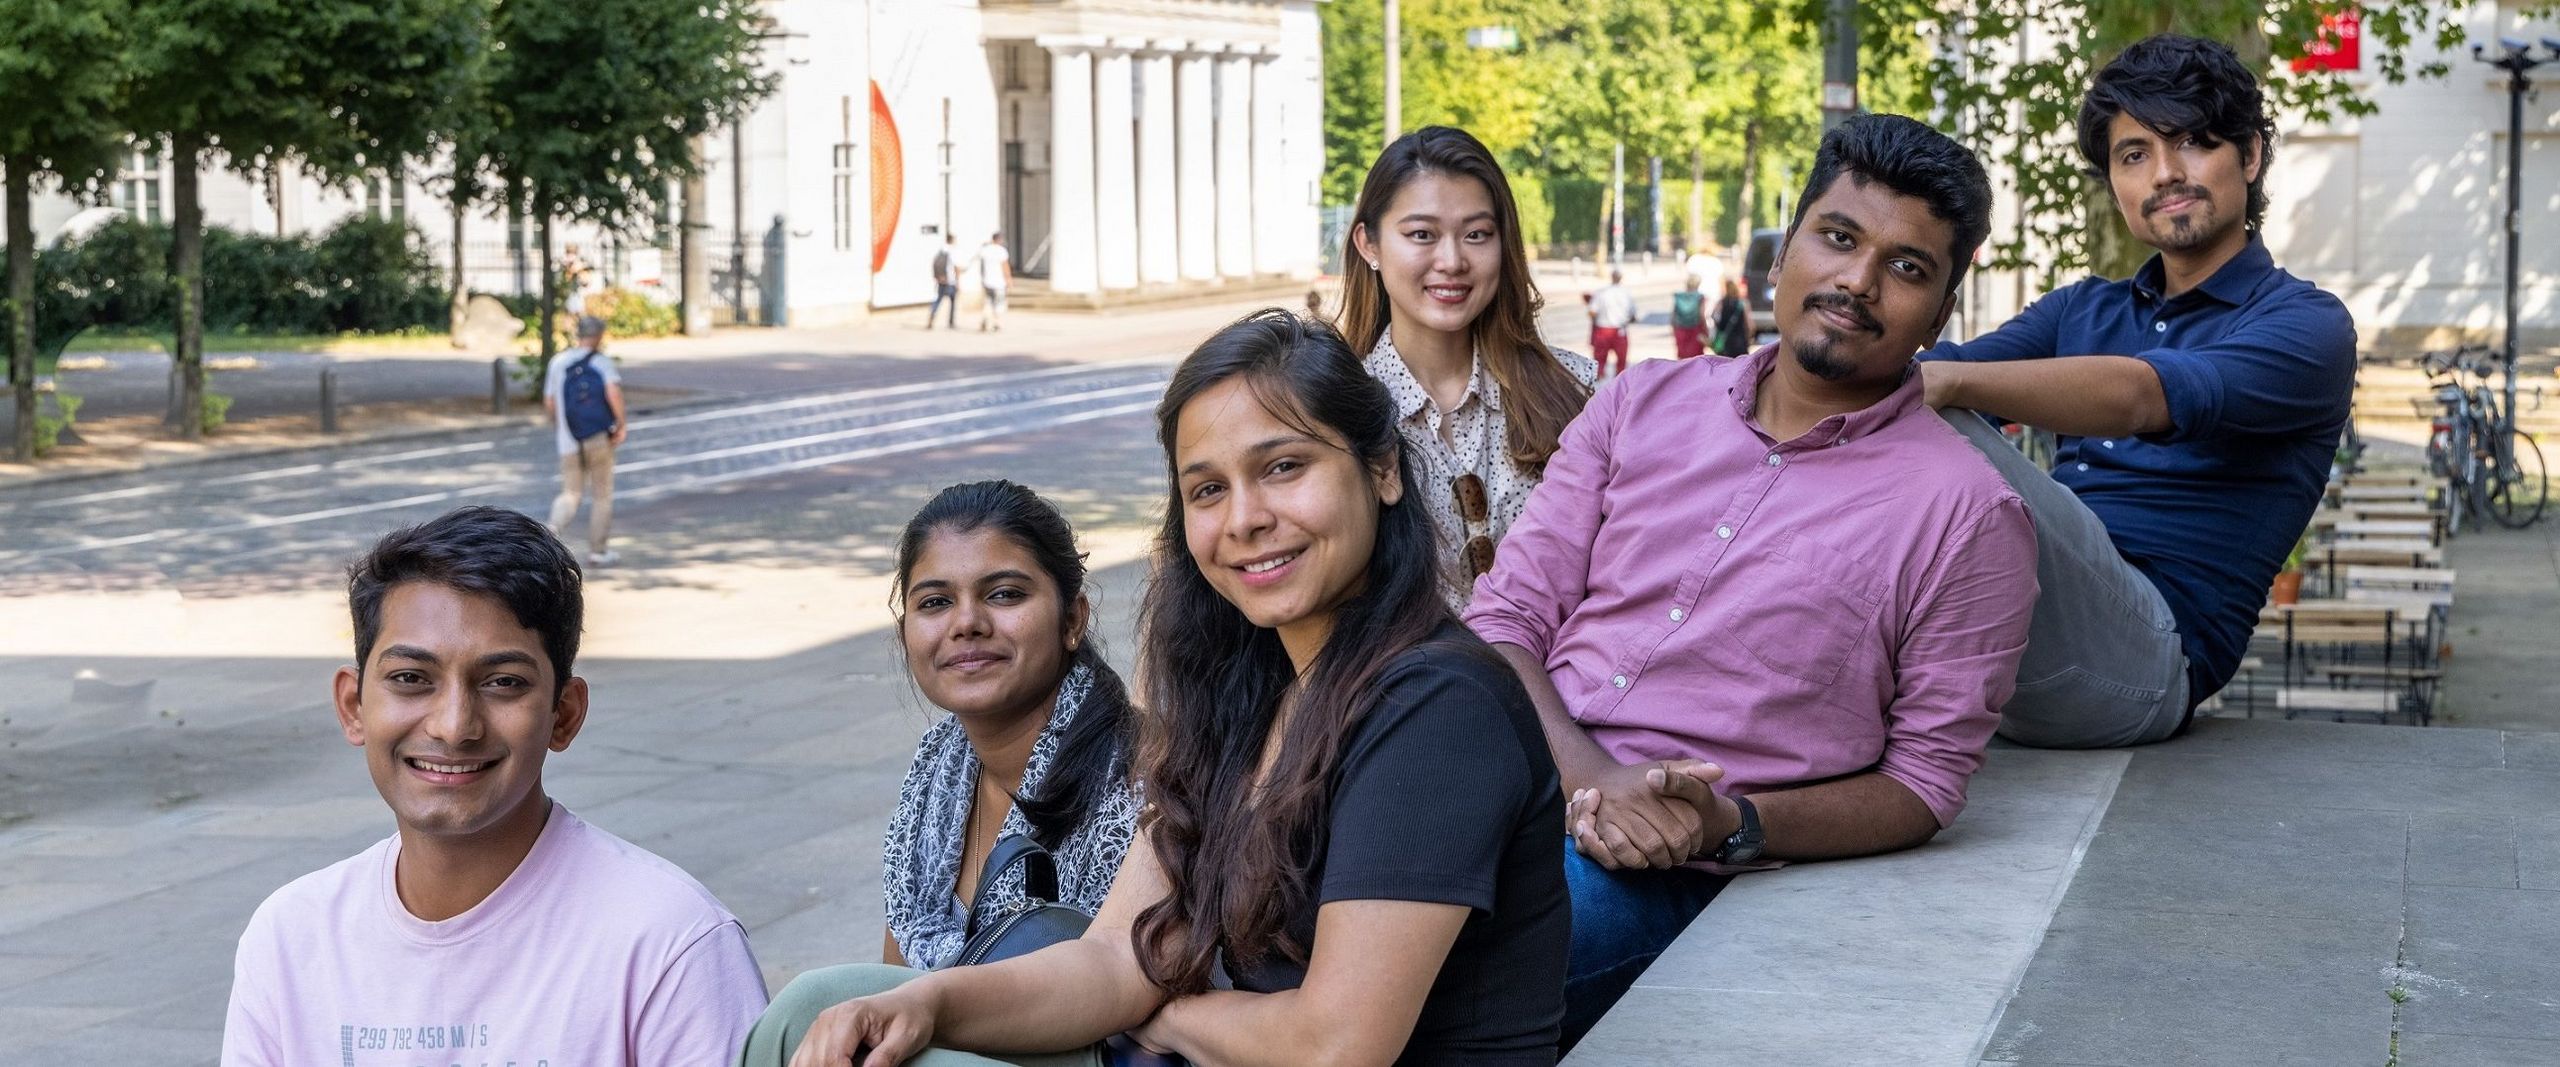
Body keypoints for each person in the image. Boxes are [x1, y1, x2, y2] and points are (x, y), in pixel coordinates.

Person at [757, 310, 1570, 1066]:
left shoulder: (1436, 705)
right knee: (825, 1004)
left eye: (1283, 467)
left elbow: (1336, 1045)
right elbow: (1115, 956)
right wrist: (930, 999)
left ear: (1383, 470)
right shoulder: (1246, 697)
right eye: (1207, 489)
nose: (1244, 518)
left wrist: (1166, 1011)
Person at [1462, 114, 2038, 1047]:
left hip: (1664, 873)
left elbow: (1924, 785)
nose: (1856, 281)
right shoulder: (1639, 401)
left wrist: (1728, 823)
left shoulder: (1969, 515)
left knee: (1441, 983)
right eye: (1840, 238)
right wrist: (1594, 777)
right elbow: (1504, 618)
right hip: (1503, 770)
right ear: (1783, 251)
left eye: (1907, 267)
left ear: (1940, 314)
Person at [1916, 34, 2357, 748]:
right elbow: (1943, 370)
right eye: (2134, 155)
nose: (2164, 174)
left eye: (2191, 142)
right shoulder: (2081, 309)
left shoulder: (2306, 325)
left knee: (1913, 407)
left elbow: (2143, 397)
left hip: (2146, 661)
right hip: (2023, 640)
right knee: (1885, 409)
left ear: (2249, 156)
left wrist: (1931, 381)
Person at [220, 506, 768, 1066]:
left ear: (564, 714)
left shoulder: (668, 945)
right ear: (353, 705)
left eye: (503, 683)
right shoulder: (291, 940)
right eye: (411, 679)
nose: (454, 726)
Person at [1338, 126, 1594, 609]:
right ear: (1369, 245)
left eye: (1476, 234)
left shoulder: (1576, 391)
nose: (1452, 261)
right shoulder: (1336, 413)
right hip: (1409, 684)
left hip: (1556, 682)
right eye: (1422, 235)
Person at [544, 315, 626, 567]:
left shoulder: (558, 362)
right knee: (601, 494)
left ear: (578, 334)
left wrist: (562, 428)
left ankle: (549, 534)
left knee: (570, 492)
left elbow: (549, 402)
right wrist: (621, 423)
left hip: (568, 439)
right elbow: (612, 393)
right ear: (599, 335)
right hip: (597, 437)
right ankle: (598, 551)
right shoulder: (602, 363)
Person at [1586, 268, 1636, 377]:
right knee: (1621, 361)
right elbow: (1633, 315)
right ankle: (1619, 381)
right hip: (1620, 330)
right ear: (1620, 278)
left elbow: (1592, 312)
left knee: (1599, 359)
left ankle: (1598, 379)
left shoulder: (1601, 293)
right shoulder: (1626, 294)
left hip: (1602, 329)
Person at [973, 231, 1012, 332]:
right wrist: (1008, 279)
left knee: (988, 302)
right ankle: (997, 323)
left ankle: (985, 319)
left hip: (987, 281)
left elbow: (978, 260)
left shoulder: (985, 250)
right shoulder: (1002, 251)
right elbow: (1005, 266)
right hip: (999, 282)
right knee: (999, 303)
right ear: (999, 239)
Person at [1711, 276, 1754, 358]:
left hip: (1725, 344)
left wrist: (1719, 327)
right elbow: (1751, 326)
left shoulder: (1720, 303)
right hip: (1740, 343)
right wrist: (1748, 338)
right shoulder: (1743, 303)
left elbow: (1713, 316)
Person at [1669, 273, 1709, 359]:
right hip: (1695, 329)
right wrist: (1705, 329)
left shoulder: (1679, 297)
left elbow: (1673, 314)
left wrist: (1672, 328)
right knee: (1696, 358)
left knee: (1682, 357)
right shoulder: (1700, 297)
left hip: (1680, 329)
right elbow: (1702, 315)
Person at [929, 233, 962, 329]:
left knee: (938, 299)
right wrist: (958, 281)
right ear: (952, 240)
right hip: (951, 280)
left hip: (941, 279)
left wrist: (937, 277)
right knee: (953, 301)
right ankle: (951, 322)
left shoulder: (941, 250)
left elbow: (935, 263)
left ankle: (932, 314)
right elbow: (957, 267)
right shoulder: (953, 251)